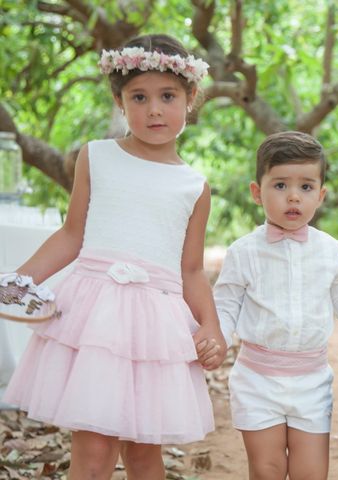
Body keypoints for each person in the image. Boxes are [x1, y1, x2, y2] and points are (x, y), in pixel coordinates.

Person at [1, 34, 227, 479]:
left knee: (144, 453)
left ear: (191, 98)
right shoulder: (96, 157)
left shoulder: (194, 186)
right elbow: (72, 235)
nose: (154, 110)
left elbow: (191, 269)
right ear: (119, 101)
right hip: (96, 317)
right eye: (138, 97)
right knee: (93, 449)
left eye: (168, 96)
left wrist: (210, 324)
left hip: (154, 327)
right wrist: (18, 278)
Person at [213, 131, 338, 480]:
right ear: (257, 192)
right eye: (280, 185)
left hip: (311, 382)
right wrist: (215, 341)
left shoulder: (328, 250)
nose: (293, 196)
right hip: (257, 380)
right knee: (267, 472)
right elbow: (226, 305)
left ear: (321, 195)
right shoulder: (244, 252)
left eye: (306, 187)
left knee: (311, 474)